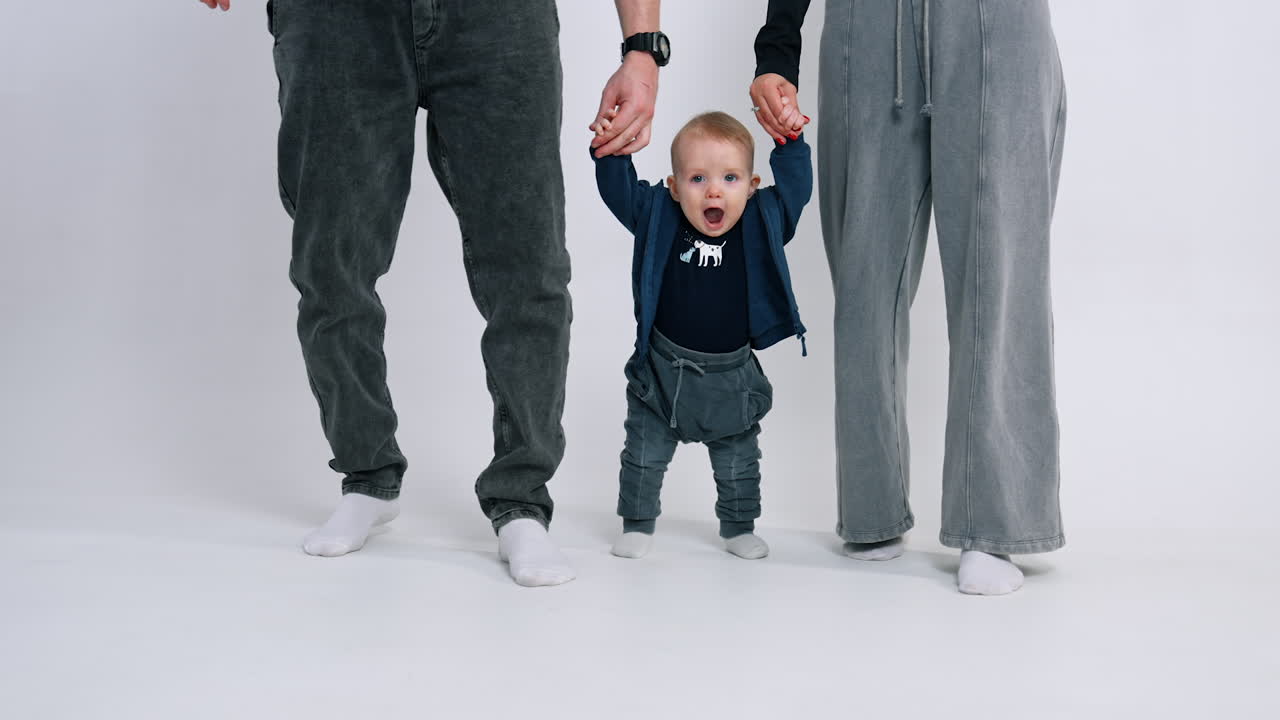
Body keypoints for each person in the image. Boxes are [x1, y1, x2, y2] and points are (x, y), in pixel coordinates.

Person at [195, 0, 663, 587]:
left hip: (499, 18)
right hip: (335, 18)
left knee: (528, 264)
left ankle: (520, 497)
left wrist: (643, 49)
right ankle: (367, 475)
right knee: (331, 262)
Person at [751, 0, 1067, 595]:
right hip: (869, 25)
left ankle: (994, 524)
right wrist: (778, 46)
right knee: (864, 275)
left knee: (997, 275)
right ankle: (873, 510)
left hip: (998, 21)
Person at [590, 111, 811, 560]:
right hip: (662, 373)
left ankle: (737, 527)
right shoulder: (658, 216)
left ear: (752, 186)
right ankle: (637, 523)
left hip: (731, 377)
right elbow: (618, 192)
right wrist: (611, 148)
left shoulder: (761, 220)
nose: (714, 190)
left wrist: (790, 143)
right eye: (697, 178)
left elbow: (795, 193)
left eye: (730, 178)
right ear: (673, 186)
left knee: (739, 462)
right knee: (643, 455)